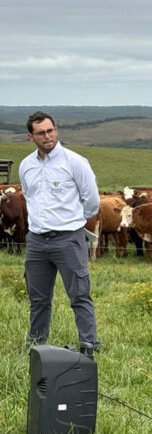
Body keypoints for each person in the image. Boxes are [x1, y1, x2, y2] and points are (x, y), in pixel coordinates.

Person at [19, 111, 101, 354]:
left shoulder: (75, 162)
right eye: (41, 133)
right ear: (30, 137)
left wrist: (72, 222)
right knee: (38, 298)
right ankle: (36, 345)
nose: (47, 136)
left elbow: (92, 201)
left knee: (79, 295)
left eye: (50, 130)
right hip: (36, 241)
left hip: (68, 238)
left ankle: (89, 345)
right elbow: (29, 198)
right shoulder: (26, 166)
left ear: (56, 130)